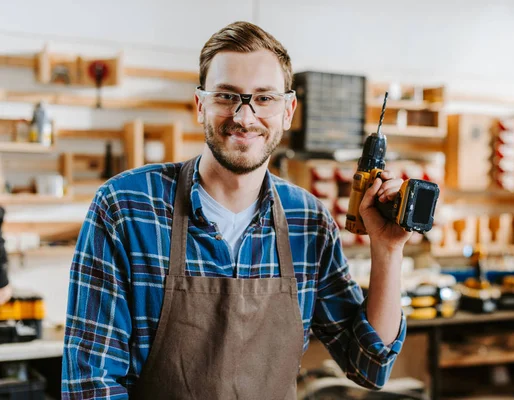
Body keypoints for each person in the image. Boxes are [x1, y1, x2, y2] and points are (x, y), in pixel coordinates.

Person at [62, 21, 412, 399]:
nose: (245, 117)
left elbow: (369, 365)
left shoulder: (308, 221)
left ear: (288, 110)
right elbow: (90, 384)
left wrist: (388, 249)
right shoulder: (127, 208)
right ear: (201, 105)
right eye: (227, 96)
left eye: (264, 98)